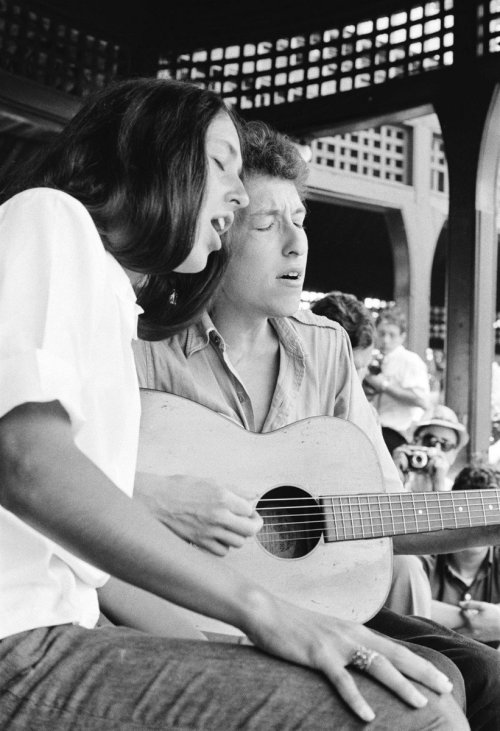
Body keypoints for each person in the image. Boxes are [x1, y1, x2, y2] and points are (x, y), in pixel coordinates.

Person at [0, 79, 464, 730]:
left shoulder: (117, 310)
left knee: (428, 689)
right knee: (418, 713)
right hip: (21, 645)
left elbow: (98, 568)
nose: (239, 194)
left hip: (65, 631)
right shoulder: (52, 217)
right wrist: (266, 612)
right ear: (149, 155)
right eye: (222, 163)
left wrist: (242, 644)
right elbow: (27, 461)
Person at [134, 119, 500, 730]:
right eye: (266, 224)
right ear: (218, 231)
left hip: (316, 601)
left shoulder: (326, 346)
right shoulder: (146, 346)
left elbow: (379, 513)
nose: (296, 244)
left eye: (300, 220)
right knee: (438, 690)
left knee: (485, 674)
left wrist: (487, 515)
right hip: (193, 612)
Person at [421, 464, 500, 649]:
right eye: (470, 511)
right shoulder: (424, 555)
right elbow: (401, 604)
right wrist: (485, 621)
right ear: (453, 510)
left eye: (491, 512)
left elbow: (415, 609)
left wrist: (436, 615)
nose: (481, 523)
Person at [364, 305, 431, 455]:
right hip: (372, 431)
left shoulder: (410, 361)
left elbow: (422, 400)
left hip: (397, 434)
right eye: (381, 333)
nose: (386, 340)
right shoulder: (371, 358)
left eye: (392, 335)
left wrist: (385, 386)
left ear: (402, 337)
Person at [393, 404, 469, 493]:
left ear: (454, 455)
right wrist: (394, 475)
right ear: (415, 442)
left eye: (445, 445)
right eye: (430, 441)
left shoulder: (457, 490)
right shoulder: (399, 481)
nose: (436, 449)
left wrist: (439, 485)